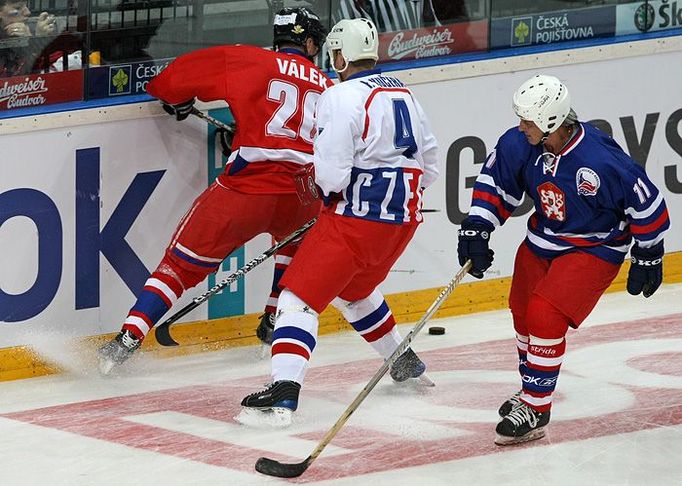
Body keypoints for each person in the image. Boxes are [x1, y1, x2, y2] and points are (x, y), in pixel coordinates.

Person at [97, 7, 330, 374]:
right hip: (303, 193)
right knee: (294, 246)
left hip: (247, 190)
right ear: (311, 43)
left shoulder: (249, 59)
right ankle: (273, 319)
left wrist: (175, 99)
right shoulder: (329, 84)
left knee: (179, 266)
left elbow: (170, 80)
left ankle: (127, 339)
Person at [240, 17, 439, 421]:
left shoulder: (339, 95)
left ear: (342, 54)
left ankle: (284, 388)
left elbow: (332, 176)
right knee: (355, 290)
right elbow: (430, 165)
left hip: (356, 221)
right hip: (402, 221)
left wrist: (321, 188)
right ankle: (403, 362)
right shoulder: (406, 95)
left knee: (297, 298)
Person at [457, 74, 670, 445]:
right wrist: (477, 227)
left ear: (552, 122)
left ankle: (537, 408)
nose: (520, 126)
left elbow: (647, 201)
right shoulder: (520, 144)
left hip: (595, 246)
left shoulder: (599, 159)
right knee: (522, 310)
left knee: (545, 314)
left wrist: (648, 253)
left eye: (528, 121)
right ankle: (529, 394)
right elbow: (497, 184)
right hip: (544, 239)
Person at [0, 0, 57, 76]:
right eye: (18, 7)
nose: (28, 12)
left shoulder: (28, 32)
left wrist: (37, 40)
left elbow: (54, 67)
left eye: (26, 6)